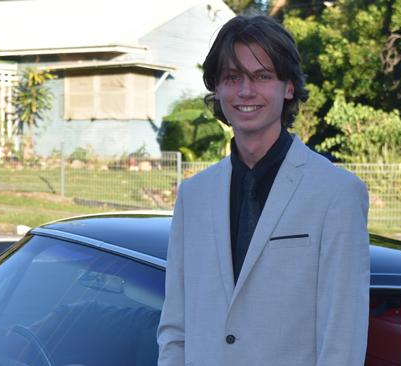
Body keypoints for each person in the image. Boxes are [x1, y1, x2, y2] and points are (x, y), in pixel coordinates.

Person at [157, 15, 370, 366]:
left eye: (262, 76)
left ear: (288, 87)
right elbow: (175, 327)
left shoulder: (336, 194)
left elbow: (342, 339)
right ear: (218, 89)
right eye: (232, 77)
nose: (245, 91)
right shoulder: (192, 196)